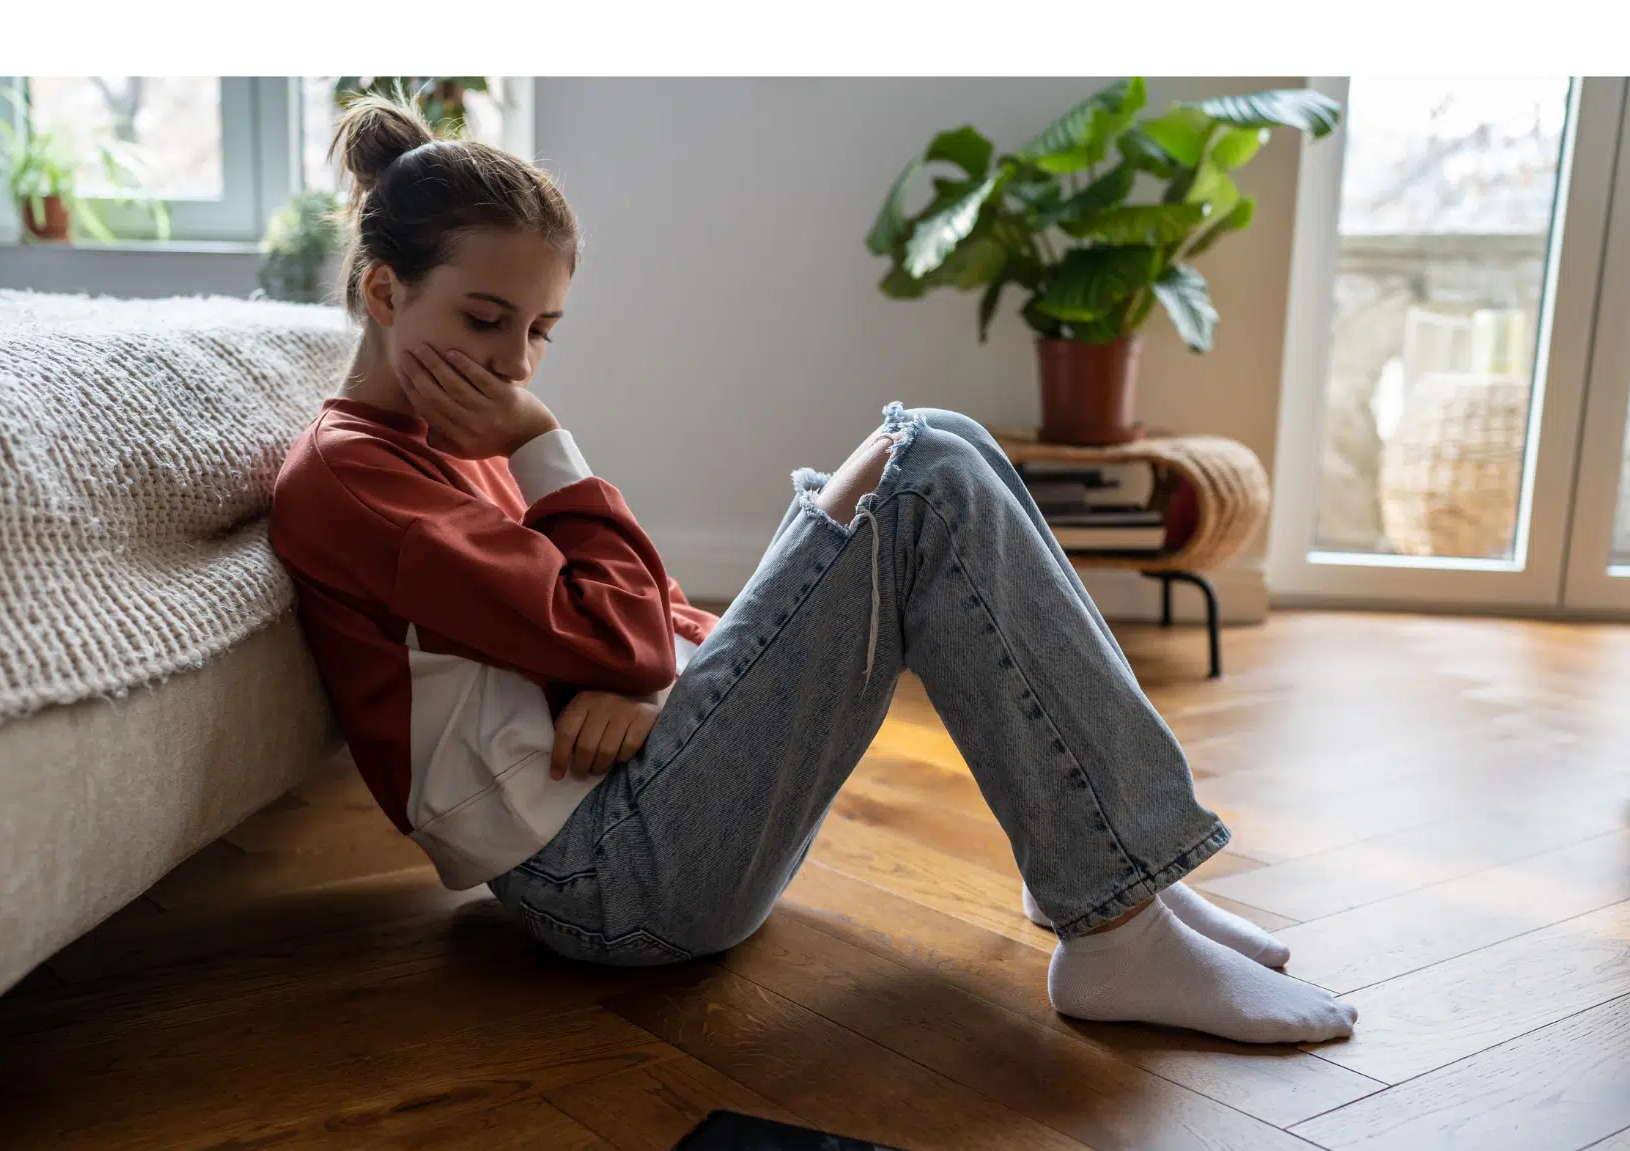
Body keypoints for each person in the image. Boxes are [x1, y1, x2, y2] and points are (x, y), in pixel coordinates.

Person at [267, 93, 1358, 1046]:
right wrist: (547, 445)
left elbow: (626, 626)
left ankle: (1117, 875)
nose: (511, 362)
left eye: (541, 332)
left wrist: (636, 672)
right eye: (484, 319)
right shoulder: (367, 482)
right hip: (607, 882)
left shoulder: (445, 441)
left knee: (931, 436)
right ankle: (1116, 921)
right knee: (919, 477)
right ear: (381, 293)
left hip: (632, 812)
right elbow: (622, 626)